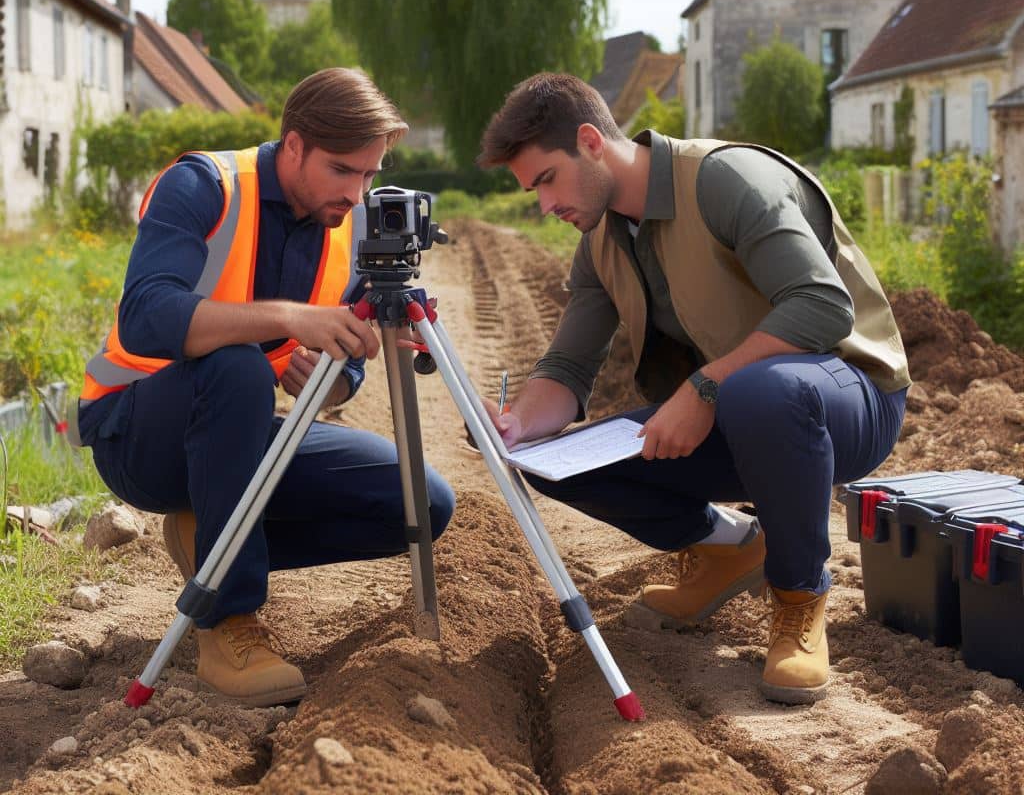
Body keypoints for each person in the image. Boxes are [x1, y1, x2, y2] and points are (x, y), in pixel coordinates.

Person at [476, 72, 908, 705]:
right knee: (544, 463)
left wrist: (703, 386)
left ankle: (798, 596)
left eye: (546, 180)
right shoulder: (599, 237)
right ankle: (732, 547)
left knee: (760, 393)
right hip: (743, 410)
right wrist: (515, 426)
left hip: (847, 396)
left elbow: (821, 306)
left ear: (592, 142)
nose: (544, 204)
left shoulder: (725, 180)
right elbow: (568, 370)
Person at [75, 68, 455, 707]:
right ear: (296, 144)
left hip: (229, 437)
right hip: (138, 434)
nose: (358, 195)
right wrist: (285, 320)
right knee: (241, 366)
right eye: (343, 171)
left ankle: (211, 540)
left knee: (421, 501)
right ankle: (229, 619)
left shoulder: (351, 224)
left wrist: (332, 376)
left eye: (369, 174)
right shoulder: (203, 186)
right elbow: (146, 315)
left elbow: (347, 367)